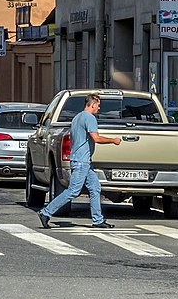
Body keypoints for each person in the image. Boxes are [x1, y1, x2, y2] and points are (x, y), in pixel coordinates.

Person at [39, 93, 122, 230]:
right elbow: (96, 138)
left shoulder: (77, 117)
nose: (99, 108)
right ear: (93, 104)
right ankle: (45, 212)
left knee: (95, 188)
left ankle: (97, 220)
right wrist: (113, 140)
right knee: (73, 191)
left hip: (83, 161)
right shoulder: (90, 118)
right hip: (81, 162)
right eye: (98, 105)